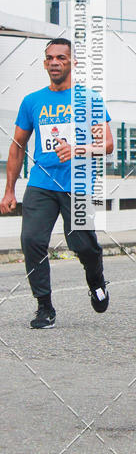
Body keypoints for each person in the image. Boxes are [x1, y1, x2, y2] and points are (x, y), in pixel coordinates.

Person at [0, 38, 113, 328]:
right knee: (32, 240)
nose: (54, 62)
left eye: (61, 57)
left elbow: (108, 144)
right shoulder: (32, 101)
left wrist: (78, 148)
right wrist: (9, 189)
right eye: (50, 58)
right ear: (44, 63)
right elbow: (17, 146)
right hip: (41, 183)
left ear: (73, 63)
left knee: (82, 245)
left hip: (78, 184)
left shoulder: (90, 100)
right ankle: (44, 307)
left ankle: (96, 279)